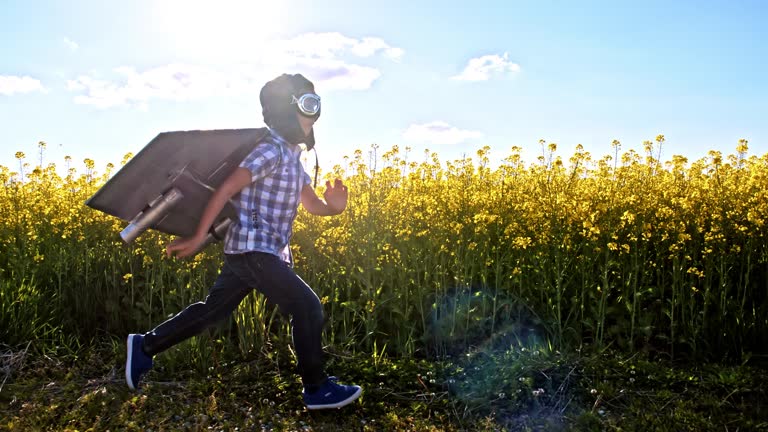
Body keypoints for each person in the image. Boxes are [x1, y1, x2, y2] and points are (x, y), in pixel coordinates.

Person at [124, 73, 362, 410]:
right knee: (306, 307)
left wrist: (334, 209)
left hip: (257, 254)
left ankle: (145, 346)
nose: (314, 114)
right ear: (285, 110)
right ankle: (317, 389)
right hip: (254, 249)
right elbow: (226, 189)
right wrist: (197, 238)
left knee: (211, 313)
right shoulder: (271, 151)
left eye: (316, 104)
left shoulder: (294, 159)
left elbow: (312, 205)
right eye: (307, 105)